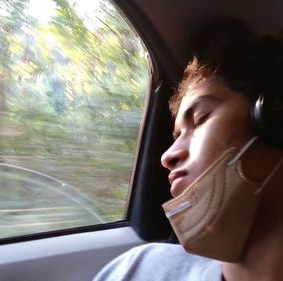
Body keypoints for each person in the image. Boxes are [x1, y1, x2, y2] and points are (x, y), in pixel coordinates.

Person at [93, 18, 283, 281]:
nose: (167, 156)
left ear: (275, 118)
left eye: (201, 119)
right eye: (176, 136)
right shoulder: (136, 269)